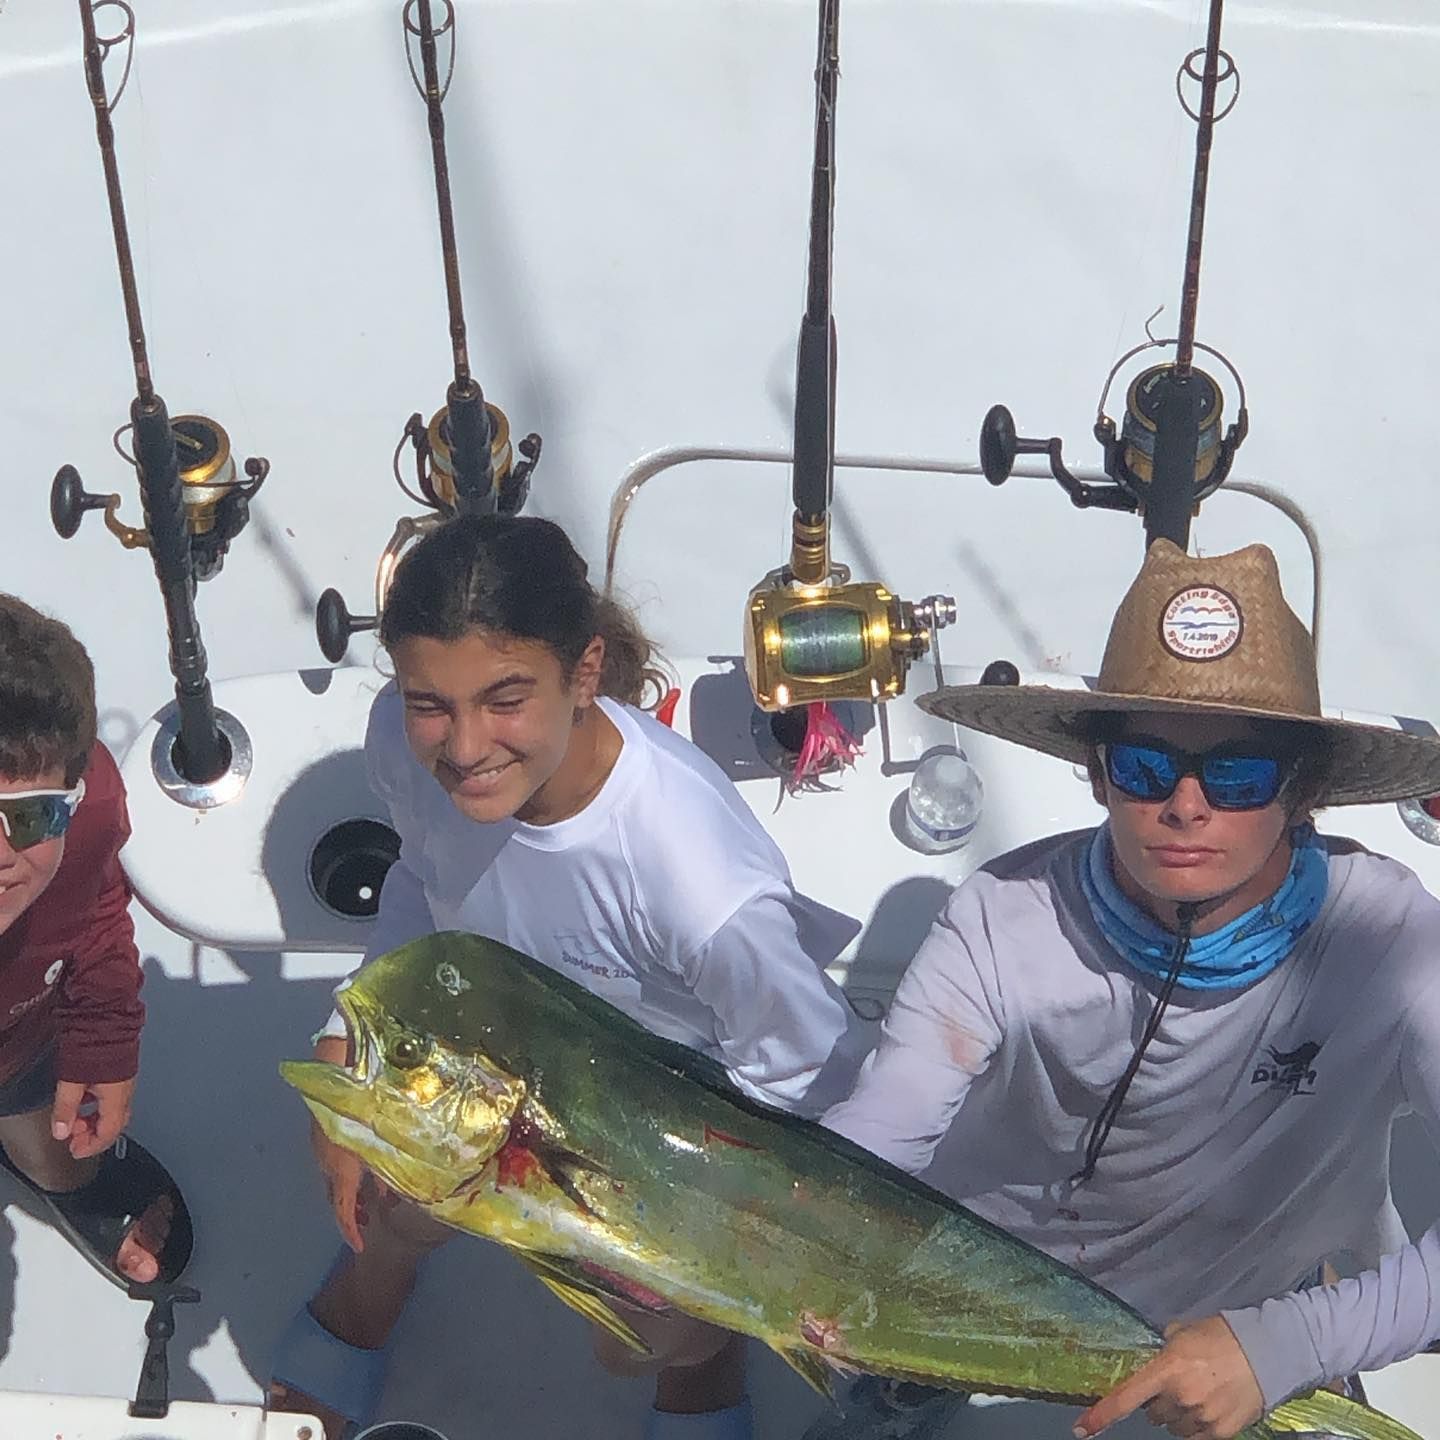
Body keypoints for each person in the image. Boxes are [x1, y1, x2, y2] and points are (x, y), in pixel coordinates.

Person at [816, 540, 1440, 1440]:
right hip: (971, 1300)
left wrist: (1288, 1344)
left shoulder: (1390, 941)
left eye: (1237, 774)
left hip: (1250, 1322)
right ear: (1100, 773)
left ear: (1300, 789)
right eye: (1147, 767)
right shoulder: (998, 916)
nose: (1187, 806)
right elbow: (874, 1144)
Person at [270, 513, 867, 1440]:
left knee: (661, 1324)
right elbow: (418, 886)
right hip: (497, 1042)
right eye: (432, 701)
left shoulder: (699, 885)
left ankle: (707, 1360)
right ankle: (378, 1274)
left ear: (585, 673)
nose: (463, 747)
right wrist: (346, 1040)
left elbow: (809, 1087)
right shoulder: (401, 739)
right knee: (395, 1186)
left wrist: (717, 1275)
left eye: (505, 697)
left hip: (666, 1115)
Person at [0, 595, 187, 1288]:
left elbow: (99, 908)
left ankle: (57, 1178)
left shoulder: (94, 812)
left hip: (16, 1048)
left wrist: (103, 1044)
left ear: (72, 795)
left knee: (57, 1154)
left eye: (31, 816)